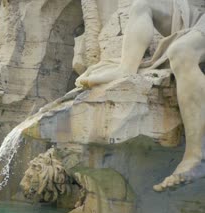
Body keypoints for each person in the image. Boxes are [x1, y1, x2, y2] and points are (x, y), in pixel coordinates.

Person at [76, 0, 205, 192]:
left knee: (181, 51)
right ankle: (126, 68)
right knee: (142, 5)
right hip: (195, 12)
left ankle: (196, 156)